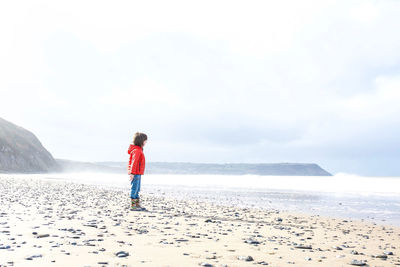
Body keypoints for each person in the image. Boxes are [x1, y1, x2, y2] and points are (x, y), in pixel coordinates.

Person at [127, 132, 147, 210]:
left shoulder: (138, 150)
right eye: (145, 141)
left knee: (137, 189)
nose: (146, 142)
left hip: (138, 173)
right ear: (141, 141)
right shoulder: (137, 150)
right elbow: (134, 162)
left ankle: (137, 204)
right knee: (134, 188)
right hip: (135, 173)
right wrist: (132, 173)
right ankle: (133, 205)